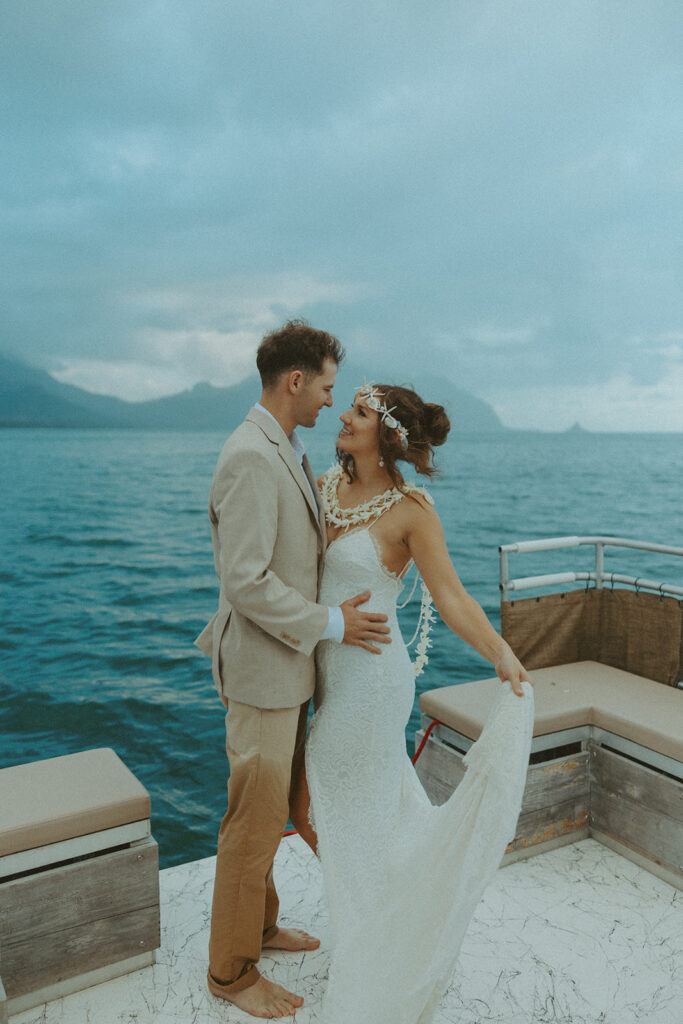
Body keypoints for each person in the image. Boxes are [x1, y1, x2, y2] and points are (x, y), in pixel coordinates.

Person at [302, 381, 535, 1024]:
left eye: (358, 413)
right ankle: (382, 921)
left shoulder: (412, 511)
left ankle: (378, 944)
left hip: (373, 683)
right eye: (348, 408)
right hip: (326, 673)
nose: (343, 417)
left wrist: (500, 653)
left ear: (386, 435)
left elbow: (452, 596)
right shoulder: (325, 485)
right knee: (339, 807)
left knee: (346, 804)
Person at [194, 323, 392, 1019]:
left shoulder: (286, 446)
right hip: (261, 674)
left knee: (272, 810)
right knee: (251, 823)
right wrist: (333, 623)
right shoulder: (252, 455)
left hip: (285, 668)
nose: (331, 401)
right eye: (328, 387)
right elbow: (246, 581)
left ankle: (260, 927)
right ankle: (230, 971)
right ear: (295, 381)